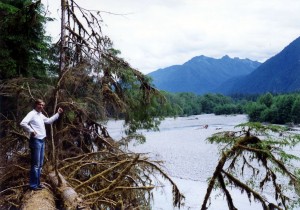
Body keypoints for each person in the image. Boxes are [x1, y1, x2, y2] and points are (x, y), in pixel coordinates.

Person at [20, 99, 63, 191]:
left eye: (43, 105)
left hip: (42, 140)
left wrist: (58, 113)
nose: (41, 107)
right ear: (36, 105)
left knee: (40, 164)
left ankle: (38, 184)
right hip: (36, 141)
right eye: (40, 105)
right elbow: (23, 123)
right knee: (35, 165)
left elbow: (48, 121)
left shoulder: (40, 114)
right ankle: (33, 185)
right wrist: (31, 131)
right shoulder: (32, 114)